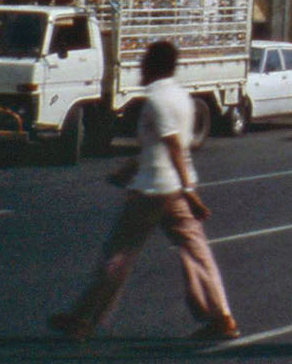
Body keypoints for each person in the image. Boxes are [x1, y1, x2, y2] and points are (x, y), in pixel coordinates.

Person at [49, 40, 237, 343]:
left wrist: (189, 191)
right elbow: (158, 147)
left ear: (152, 66)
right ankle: (221, 318)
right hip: (173, 189)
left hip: (153, 191)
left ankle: (83, 319)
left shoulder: (157, 101)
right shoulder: (182, 97)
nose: (140, 67)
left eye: (144, 62)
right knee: (197, 254)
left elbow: (173, 146)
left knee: (119, 255)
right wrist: (129, 171)